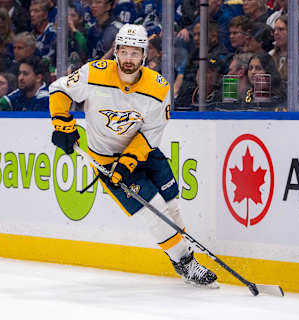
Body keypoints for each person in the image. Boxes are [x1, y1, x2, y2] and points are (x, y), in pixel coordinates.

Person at [48, 24, 218, 288]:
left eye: (135, 53)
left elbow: (150, 134)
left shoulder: (158, 87)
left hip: (144, 153)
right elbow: (59, 89)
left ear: (144, 55)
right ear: (115, 51)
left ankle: (183, 255)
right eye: (124, 52)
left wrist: (127, 163)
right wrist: (61, 123)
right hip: (105, 159)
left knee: (172, 204)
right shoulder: (94, 73)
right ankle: (186, 263)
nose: (128, 60)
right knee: (153, 211)